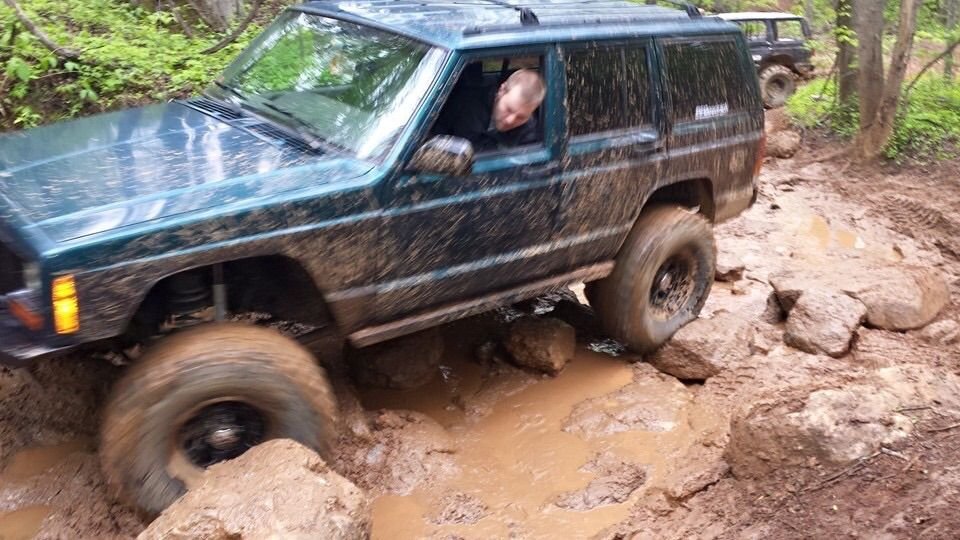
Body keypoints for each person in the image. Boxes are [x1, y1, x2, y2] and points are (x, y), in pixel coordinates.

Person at [432, 68, 546, 152]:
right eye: (509, 109)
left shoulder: (531, 134)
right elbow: (434, 137)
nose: (510, 120)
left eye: (521, 117)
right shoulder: (465, 104)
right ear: (501, 91)